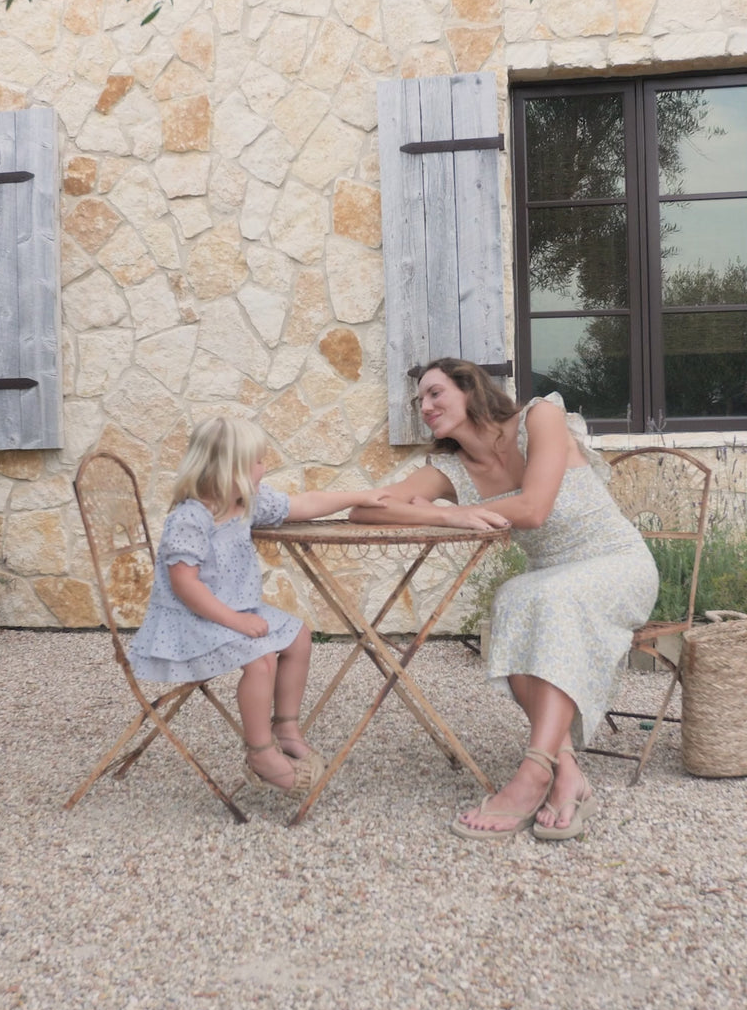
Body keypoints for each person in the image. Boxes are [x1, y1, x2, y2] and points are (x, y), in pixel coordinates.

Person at [350, 357, 659, 841]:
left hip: (617, 564)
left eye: (435, 393)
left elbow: (534, 509)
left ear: (470, 387)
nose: (425, 406)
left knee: (543, 596)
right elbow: (365, 510)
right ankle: (569, 775)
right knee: (514, 598)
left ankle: (534, 772)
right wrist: (446, 517)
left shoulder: (539, 418)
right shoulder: (452, 468)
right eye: (419, 401)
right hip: (550, 582)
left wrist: (447, 509)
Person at [129, 416, 391, 793]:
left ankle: (285, 726)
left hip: (235, 611)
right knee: (261, 659)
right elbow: (185, 586)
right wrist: (235, 621)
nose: (263, 469)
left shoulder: (246, 502)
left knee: (298, 636)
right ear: (228, 469)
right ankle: (260, 752)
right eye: (257, 462)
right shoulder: (190, 518)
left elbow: (303, 504)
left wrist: (358, 497)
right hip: (193, 619)